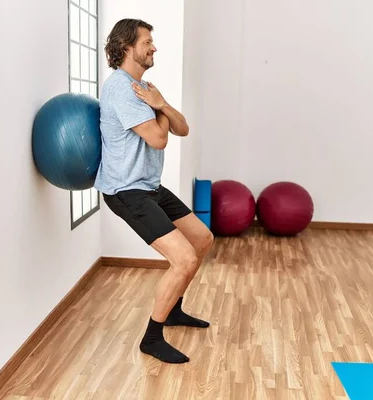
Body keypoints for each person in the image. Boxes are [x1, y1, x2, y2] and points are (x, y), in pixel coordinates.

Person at [94, 18, 214, 364]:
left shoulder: (143, 87)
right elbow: (161, 138)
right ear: (127, 47)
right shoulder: (120, 88)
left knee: (202, 240)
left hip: (149, 186)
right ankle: (151, 338)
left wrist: (160, 104)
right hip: (125, 190)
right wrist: (160, 106)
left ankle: (173, 310)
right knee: (184, 258)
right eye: (147, 41)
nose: (154, 47)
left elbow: (184, 128)